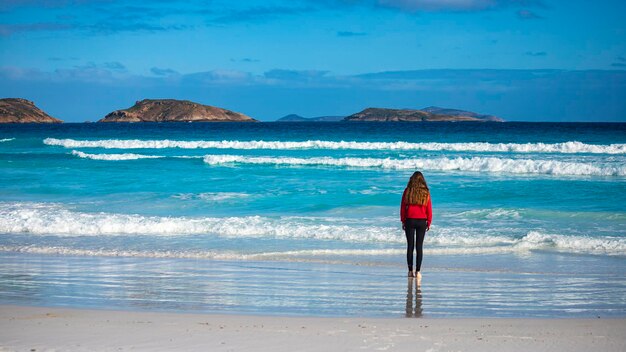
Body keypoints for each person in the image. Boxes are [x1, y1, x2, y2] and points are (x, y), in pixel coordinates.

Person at [400, 171, 432, 283]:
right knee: (419, 247)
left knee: (410, 246)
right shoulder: (426, 192)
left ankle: (410, 271)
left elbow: (403, 207)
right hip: (422, 221)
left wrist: (403, 220)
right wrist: (429, 221)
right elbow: (429, 208)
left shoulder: (407, 191)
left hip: (410, 220)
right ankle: (418, 271)